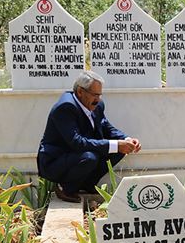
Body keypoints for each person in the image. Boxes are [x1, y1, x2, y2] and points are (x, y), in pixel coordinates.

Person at [37, 71, 140, 203]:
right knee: (91, 157)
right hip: (56, 162)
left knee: (119, 150)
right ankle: (65, 188)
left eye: (100, 95)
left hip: (77, 155)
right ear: (80, 92)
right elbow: (77, 142)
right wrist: (115, 145)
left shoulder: (96, 105)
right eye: (94, 95)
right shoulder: (65, 108)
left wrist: (126, 140)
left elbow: (106, 126)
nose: (98, 99)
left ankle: (87, 184)